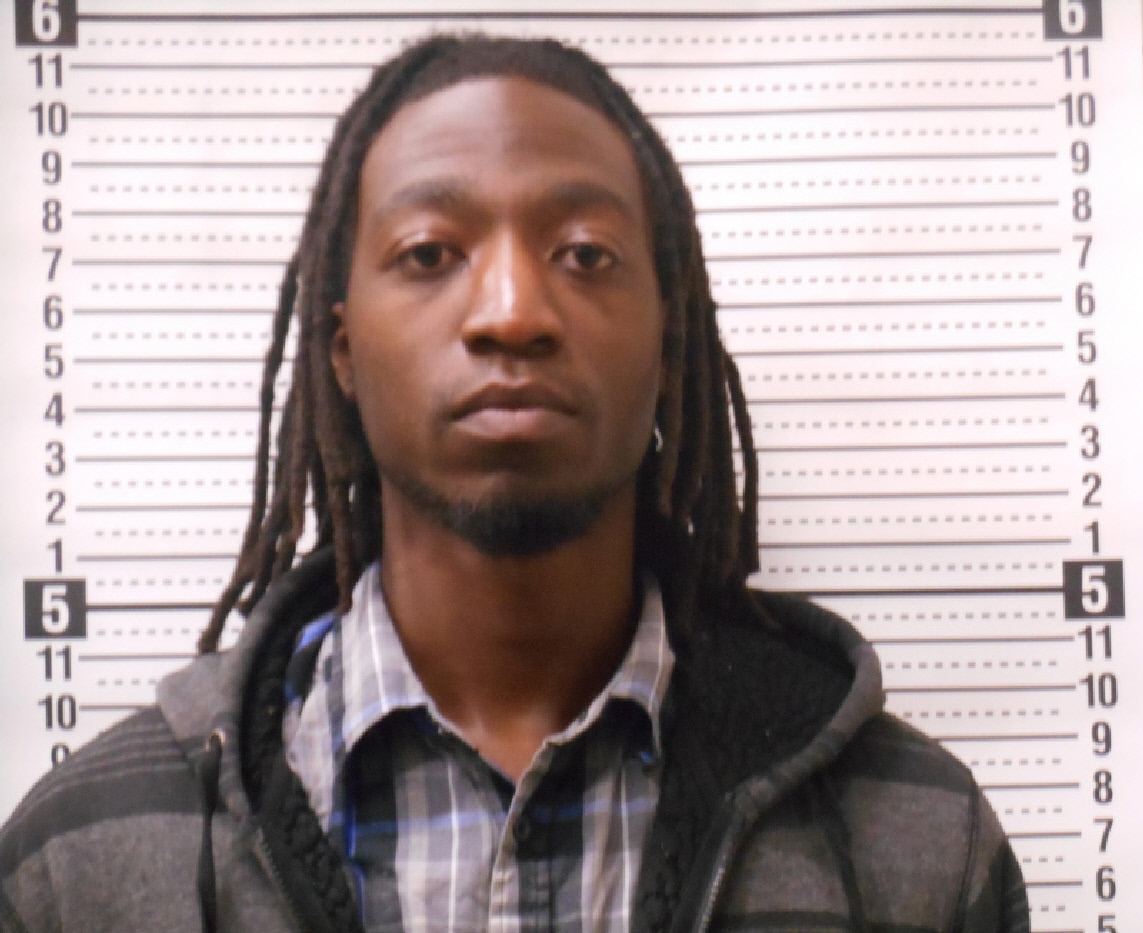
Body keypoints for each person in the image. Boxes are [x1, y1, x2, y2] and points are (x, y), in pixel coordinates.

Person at [0, 34, 1029, 933]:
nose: (511, 312)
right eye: (429, 252)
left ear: (668, 344)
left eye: (584, 253)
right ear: (342, 351)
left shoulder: (914, 840)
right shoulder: (85, 861)